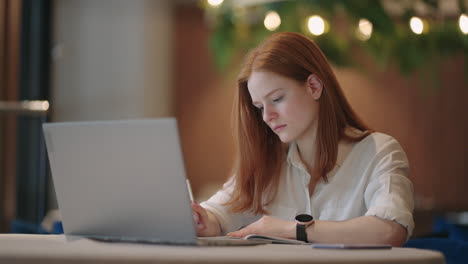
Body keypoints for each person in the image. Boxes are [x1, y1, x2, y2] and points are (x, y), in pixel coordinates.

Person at [191, 32, 414, 246]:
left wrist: (293, 229)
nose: (267, 117)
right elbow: (217, 213)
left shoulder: (379, 152)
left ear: (314, 87)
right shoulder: (265, 163)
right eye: (259, 107)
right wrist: (202, 220)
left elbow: (390, 230)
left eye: (277, 99)